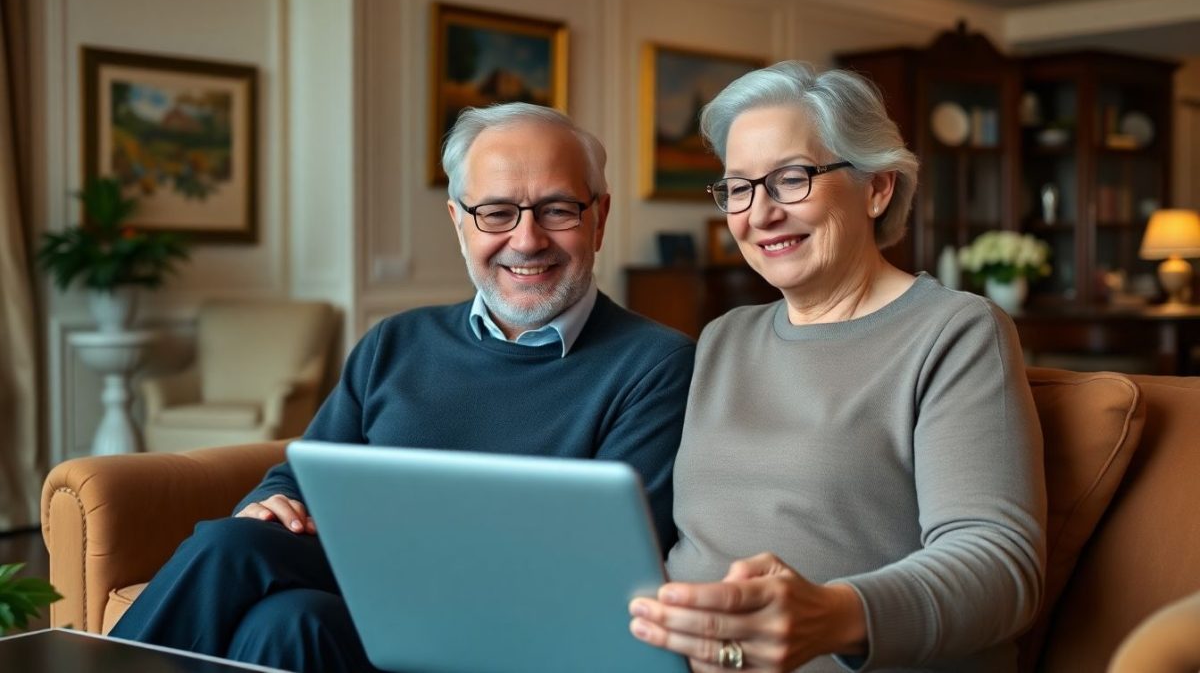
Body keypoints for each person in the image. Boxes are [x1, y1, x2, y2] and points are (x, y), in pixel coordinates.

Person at [109, 102, 695, 673]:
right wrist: (271, 505)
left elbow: (607, 566)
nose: (526, 239)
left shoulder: (656, 365)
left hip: (515, 631)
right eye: (495, 212)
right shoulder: (396, 343)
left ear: (600, 217)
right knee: (286, 622)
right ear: (458, 222)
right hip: (375, 618)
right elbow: (299, 473)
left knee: (232, 549)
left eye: (557, 210)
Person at [628, 61, 1047, 672]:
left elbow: (1000, 564)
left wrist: (833, 615)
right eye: (738, 187)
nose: (760, 213)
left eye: (791, 178)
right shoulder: (724, 338)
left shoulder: (955, 331)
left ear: (877, 188)